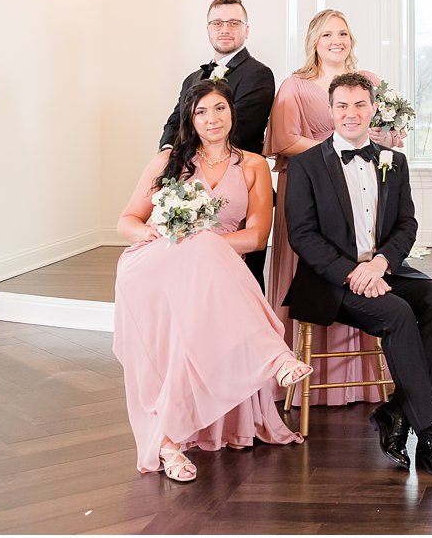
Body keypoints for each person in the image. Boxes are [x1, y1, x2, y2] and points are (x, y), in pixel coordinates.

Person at [114, 79, 309, 482]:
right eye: (201, 111)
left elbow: (257, 236)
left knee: (203, 263)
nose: (211, 118)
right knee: (198, 247)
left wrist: (205, 243)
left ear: (232, 112)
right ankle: (276, 356)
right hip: (158, 265)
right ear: (190, 118)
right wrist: (154, 233)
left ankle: (167, 441)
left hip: (216, 266)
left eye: (219, 108)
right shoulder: (167, 162)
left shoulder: (253, 165)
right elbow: (127, 221)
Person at [285, 72, 432, 478]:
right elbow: (302, 236)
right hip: (332, 280)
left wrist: (381, 264)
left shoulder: (394, 161)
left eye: (360, 105)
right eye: (342, 106)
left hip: (384, 268)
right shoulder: (305, 166)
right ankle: (431, 435)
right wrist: (354, 274)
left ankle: (396, 412)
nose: (351, 114)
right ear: (330, 111)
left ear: (373, 109)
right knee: (399, 313)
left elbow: (407, 225)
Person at [262, 9, 404, 409]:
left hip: (361, 190)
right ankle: (299, 371)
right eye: (327, 34)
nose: (336, 40)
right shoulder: (296, 86)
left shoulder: (371, 82)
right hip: (309, 187)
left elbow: (388, 137)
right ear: (314, 41)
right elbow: (284, 140)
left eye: (342, 32)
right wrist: (337, 147)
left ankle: (360, 380)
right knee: (315, 265)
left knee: (361, 262)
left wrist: (384, 135)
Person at [159, 0, 276, 287]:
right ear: (208, 29)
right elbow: (175, 121)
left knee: (244, 276)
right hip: (191, 181)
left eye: (234, 23)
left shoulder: (259, 75)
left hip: (241, 183)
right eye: (218, 23)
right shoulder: (192, 78)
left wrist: (190, 148)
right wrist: (169, 155)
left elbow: (239, 128)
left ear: (246, 30)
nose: (225, 29)